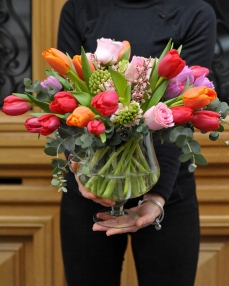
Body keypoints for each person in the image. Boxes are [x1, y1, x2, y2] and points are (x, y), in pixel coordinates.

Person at [57, 0, 216, 285]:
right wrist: (80, 170)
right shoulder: (79, 9)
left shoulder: (194, 12)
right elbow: (68, 104)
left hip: (167, 194)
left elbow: (180, 115)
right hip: (90, 191)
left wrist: (156, 197)